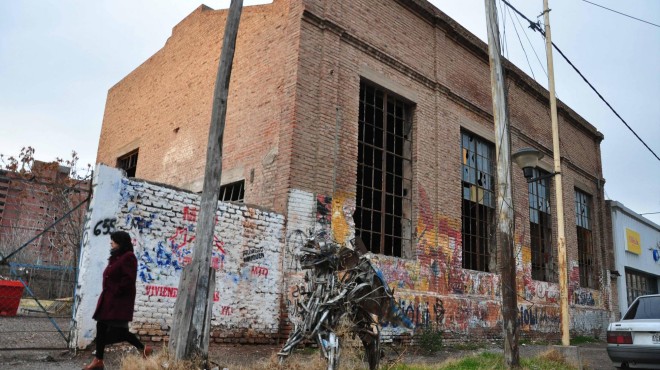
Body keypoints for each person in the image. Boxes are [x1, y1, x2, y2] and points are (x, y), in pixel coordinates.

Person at [83, 231, 152, 370]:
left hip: (118, 302)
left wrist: (116, 292)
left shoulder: (129, 257)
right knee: (101, 326)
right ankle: (99, 361)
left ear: (121, 242)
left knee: (119, 332)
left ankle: (144, 348)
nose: (111, 242)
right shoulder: (115, 257)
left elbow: (128, 280)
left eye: (113, 240)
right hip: (108, 300)